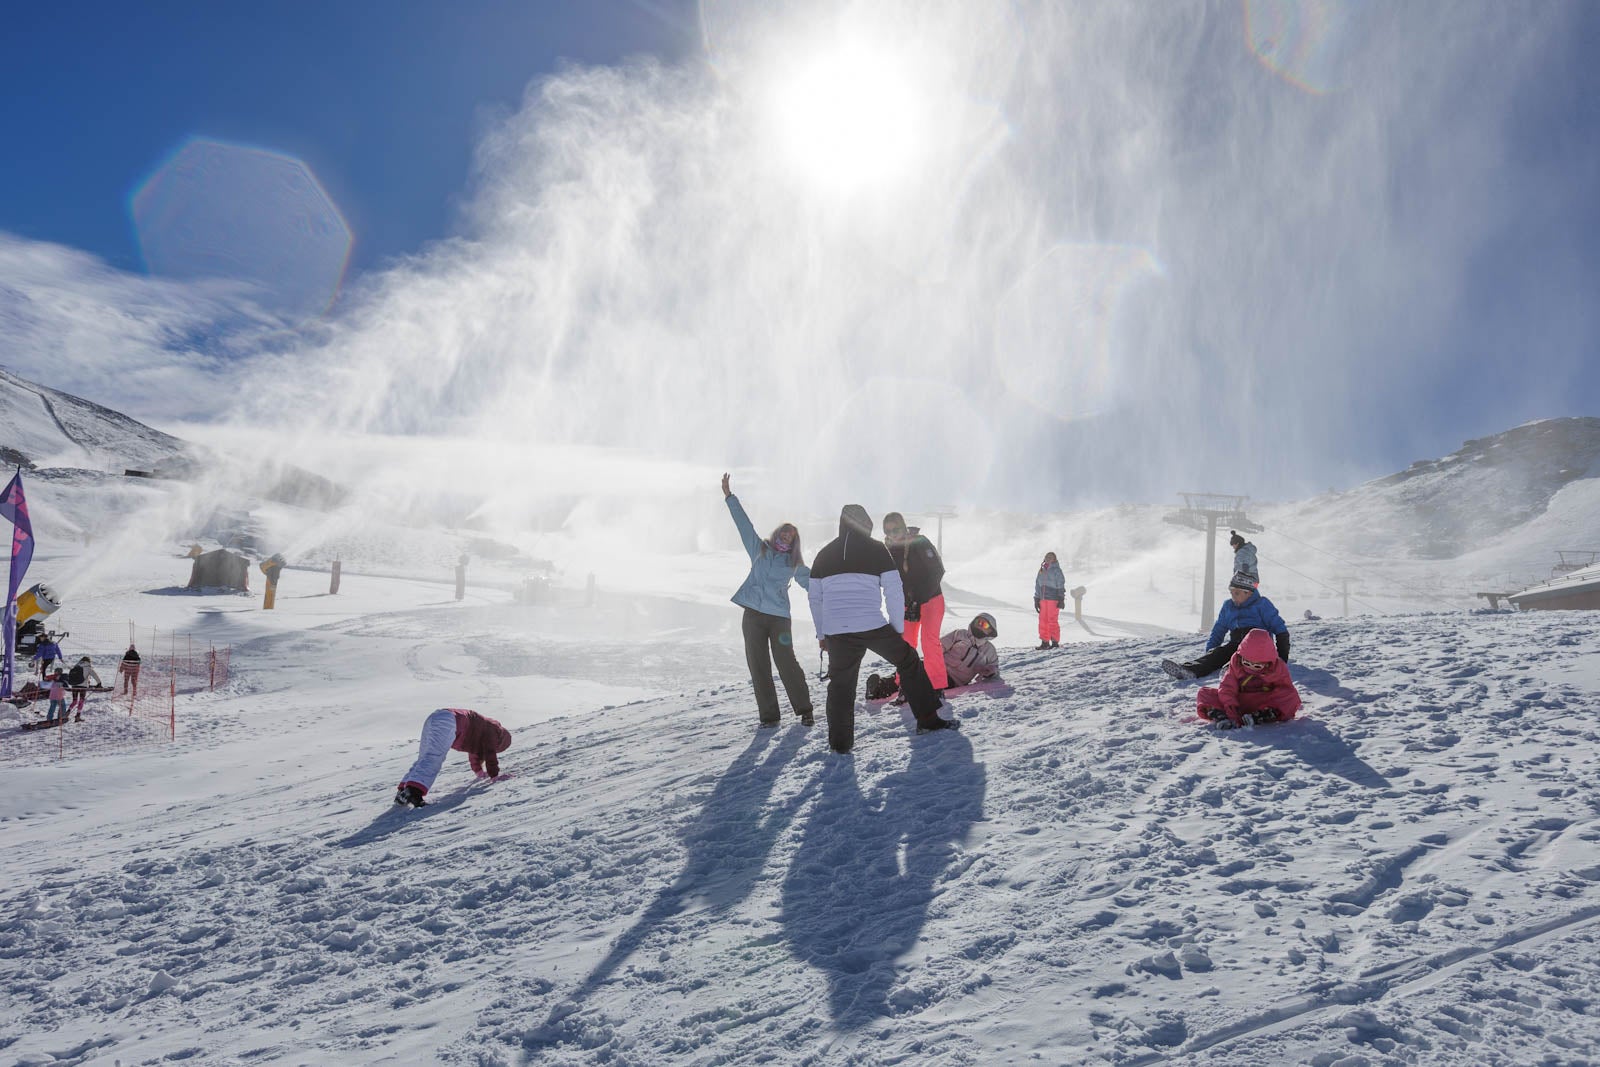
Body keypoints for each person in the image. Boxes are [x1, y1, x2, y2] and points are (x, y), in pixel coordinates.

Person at [808, 504, 957, 754]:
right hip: (871, 624)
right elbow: (893, 590)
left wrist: (822, 634)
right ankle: (928, 721)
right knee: (908, 660)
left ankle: (840, 744)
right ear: (867, 524)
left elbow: (815, 599)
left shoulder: (824, 553)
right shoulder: (877, 549)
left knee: (841, 684)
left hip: (837, 630)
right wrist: (897, 629)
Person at [722, 473, 814, 729]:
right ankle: (769, 717)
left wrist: (838, 593)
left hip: (779, 620)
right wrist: (730, 497)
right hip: (752, 616)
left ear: (794, 542)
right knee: (758, 666)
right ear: (777, 534)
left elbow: (814, 584)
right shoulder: (759, 549)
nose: (786, 537)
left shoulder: (794, 564)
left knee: (786, 663)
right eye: (784, 533)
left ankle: (805, 709)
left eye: (791, 536)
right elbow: (744, 526)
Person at [1161, 571, 1290, 681]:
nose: (1233, 596)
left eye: (1237, 593)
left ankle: (1232, 671)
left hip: (1258, 647)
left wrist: (1281, 659)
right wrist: (1211, 652)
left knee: (1243, 658)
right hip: (1235, 644)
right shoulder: (1228, 606)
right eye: (1231, 592)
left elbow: (1280, 630)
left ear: (1248, 593)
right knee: (1219, 653)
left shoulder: (1262, 604)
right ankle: (1188, 670)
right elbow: (1219, 629)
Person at [882, 512, 949, 693]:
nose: (892, 534)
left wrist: (918, 599)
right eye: (888, 531)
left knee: (929, 641)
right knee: (905, 643)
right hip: (907, 603)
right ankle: (905, 683)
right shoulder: (886, 549)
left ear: (903, 527)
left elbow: (937, 570)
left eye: (896, 529)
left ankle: (936, 687)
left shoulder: (919, 542)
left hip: (931, 599)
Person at [395, 707, 513, 807]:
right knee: (434, 756)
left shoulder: (481, 731)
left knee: (425, 757)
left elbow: (475, 755)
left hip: (437, 717)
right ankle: (413, 792)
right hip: (449, 721)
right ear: (501, 742)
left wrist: (479, 772)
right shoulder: (494, 731)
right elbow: (489, 752)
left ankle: (403, 792)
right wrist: (495, 776)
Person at [1195, 628, 1302, 728]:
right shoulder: (1236, 662)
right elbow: (1227, 687)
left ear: (1268, 662)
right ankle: (1220, 716)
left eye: (1257, 666)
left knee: (1291, 698)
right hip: (1239, 702)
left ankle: (1262, 716)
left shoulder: (1277, 668)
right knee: (1204, 693)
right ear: (1241, 656)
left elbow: (1286, 689)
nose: (1251, 668)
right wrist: (1231, 708)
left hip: (1264, 703)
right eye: (1246, 663)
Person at [941, 613, 1000, 688]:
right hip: (937, 668)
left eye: (984, 624)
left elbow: (995, 670)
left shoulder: (989, 650)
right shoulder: (960, 634)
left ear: (990, 630)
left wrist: (990, 672)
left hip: (953, 681)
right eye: (978, 622)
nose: (980, 625)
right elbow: (940, 646)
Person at [1034, 552, 1066, 649]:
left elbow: (1060, 584)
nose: (1048, 559)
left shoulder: (1056, 570)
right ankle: (1045, 642)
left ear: (1054, 559)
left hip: (1053, 599)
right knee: (1043, 621)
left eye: (1050, 557)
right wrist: (1036, 598)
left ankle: (1055, 642)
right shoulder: (1041, 570)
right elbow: (1037, 585)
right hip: (1043, 599)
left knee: (1052, 620)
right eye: (1047, 557)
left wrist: (1061, 598)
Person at [66, 656, 102, 722]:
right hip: (83, 686)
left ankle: (67, 713)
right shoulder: (88, 667)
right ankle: (78, 716)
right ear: (88, 661)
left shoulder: (76, 666)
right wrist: (99, 683)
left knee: (74, 701)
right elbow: (95, 675)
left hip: (74, 685)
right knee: (81, 701)